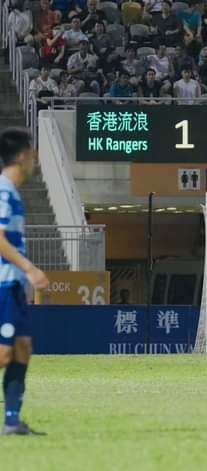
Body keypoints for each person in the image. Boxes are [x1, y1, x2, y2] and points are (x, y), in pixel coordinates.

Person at [0, 128, 50, 434]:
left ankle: (12, 422)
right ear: (22, 156)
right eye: (33, 153)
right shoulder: (3, 190)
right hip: (3, 283)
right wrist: (30, 269)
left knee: (22, 348)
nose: (37, 160)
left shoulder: (12, 192)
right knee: (4, 354)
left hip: (13, 284)